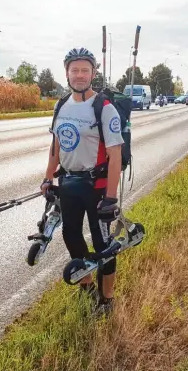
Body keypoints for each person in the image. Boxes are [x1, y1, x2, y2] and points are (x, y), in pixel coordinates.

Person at [41, 47, 123, 315]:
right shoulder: (61, 105)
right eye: (74, 70)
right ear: (66, 73)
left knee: (103, 246)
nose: (79, 75)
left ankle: (107, 299)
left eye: (84, 70)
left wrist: (111, 197)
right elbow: (56, 146)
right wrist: (46, 178)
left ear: (93, 73)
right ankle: (86, 288)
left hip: (96, 187)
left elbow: (115, 156)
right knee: (71, 236)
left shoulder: (104, 108)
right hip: (69, 184)